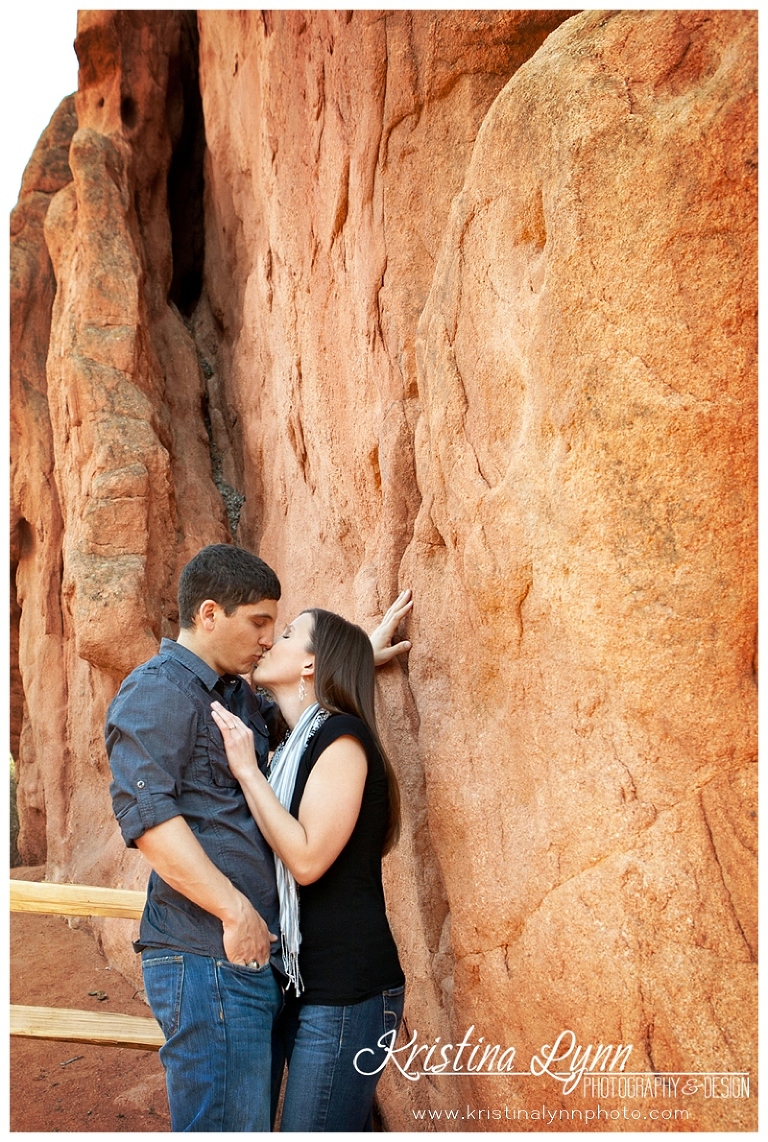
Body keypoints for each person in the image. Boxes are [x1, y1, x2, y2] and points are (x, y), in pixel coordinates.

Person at [106, 543, 411, 1132]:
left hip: (258, 965)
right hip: (207, 953)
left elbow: (307, 712)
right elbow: (149, 820)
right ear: (210, 614)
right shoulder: (158, 690)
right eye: (259, 622)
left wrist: (350, 657)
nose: (268, 638)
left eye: (280, 628)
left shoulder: (238, 697)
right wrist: (233, 910)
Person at [211, 606, 406, 1132]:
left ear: (309, 666)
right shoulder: (288, 742)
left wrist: (248, 773)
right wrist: (360, 649)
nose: (272, 639)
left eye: (289, 634)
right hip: (301, 983)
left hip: (348, 991)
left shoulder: (342, 740)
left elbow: (306, 859)